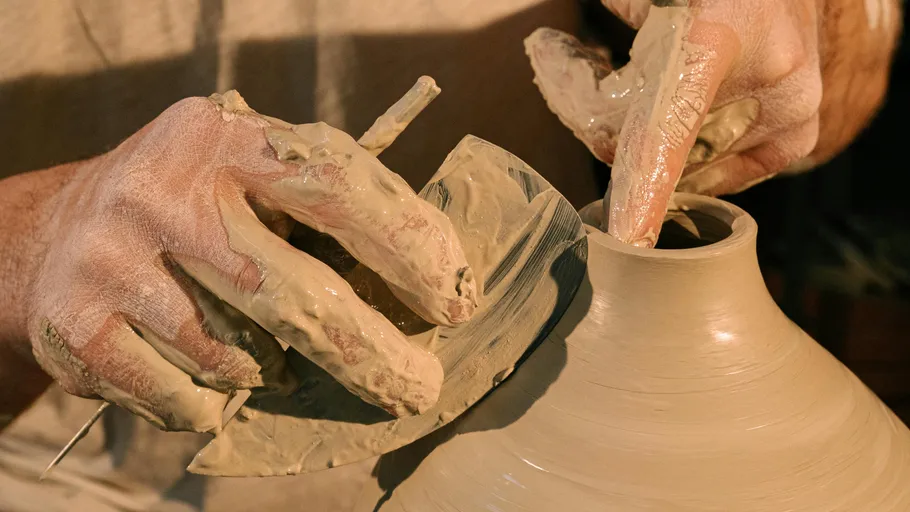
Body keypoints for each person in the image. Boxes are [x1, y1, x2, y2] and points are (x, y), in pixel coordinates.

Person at [0, 0, 901, 510]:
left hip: (503, 418)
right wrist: (30, 241)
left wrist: (801, 22)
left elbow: (855, 55)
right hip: (59, 466)